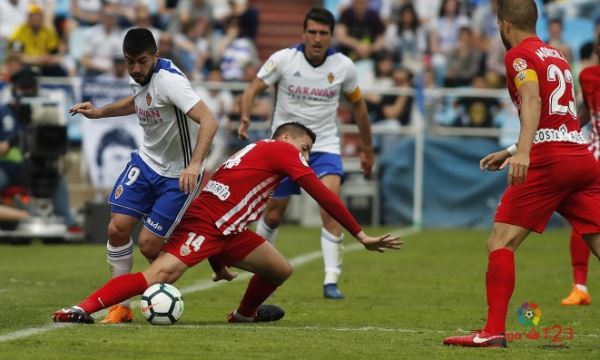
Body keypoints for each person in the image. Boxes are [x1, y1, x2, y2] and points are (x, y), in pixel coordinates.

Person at [52, 122, 402, 324]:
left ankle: (244, 316)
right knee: (157, 276)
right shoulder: (281, 151)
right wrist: (361, 234)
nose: (305, 155)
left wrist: (218, 262)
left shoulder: (255, 151)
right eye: (304, 146)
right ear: (286, 138)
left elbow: (226, 197)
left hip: (228, 231)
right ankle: (81, 308)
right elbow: (322, 194)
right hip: (206, 227)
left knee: (280, 269)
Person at [443, 0, 600, 348]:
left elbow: (532, 100)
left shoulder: (517, 55)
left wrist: (525, 150)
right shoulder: (556, 54)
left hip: (551, 161)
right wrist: (514, 149)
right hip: (581, 155)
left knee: (500, 242)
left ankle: (493, 331)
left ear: (503, 24)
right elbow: (559, 115)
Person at [69, 28, 218, 324]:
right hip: (147, 163)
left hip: (179, 175)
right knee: (116, 228)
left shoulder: (170, 82)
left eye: (142, 61)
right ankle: (120, 307)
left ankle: (189, 265)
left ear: (156, 56)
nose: (135, 68)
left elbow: (209, 121)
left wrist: (194, 165)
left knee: (149, 245)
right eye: (130, 62)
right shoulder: (139, 75)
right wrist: (100, 112)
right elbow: (137, 100)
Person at [237, 7, 375, 299]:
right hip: (284, 149)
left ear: (331, 36)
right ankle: (257, 262)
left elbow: (359, 108)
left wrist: (367, 149)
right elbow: (252, 89)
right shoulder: (284, 59)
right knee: (273, 215)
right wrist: (245, 116)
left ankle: (331, 281)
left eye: (323, 33)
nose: (317, 38)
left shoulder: (343, 66)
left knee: (330, 207)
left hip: (324, 146)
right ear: (303, 33)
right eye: (312, 32)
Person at [560, 32, 600, 307]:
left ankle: (580, 286)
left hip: (593, 155)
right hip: (594, 156)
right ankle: (580, 287)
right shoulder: (588, 77)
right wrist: (566, 131)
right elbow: (586, 112)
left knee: (583, 217)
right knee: (583, 216)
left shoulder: (588, 75)